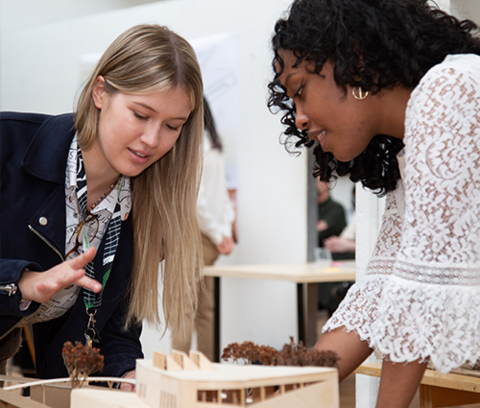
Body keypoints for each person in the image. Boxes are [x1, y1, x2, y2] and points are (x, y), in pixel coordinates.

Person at [268, 0, 480, 407]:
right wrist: (276, 395)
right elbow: (380, 291)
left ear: (355, 60)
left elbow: (420, 290)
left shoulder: (449, 90)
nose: (298, 118)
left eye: (300, 91)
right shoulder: (416, 138)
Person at [0, 24, 204, 390]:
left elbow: (113, 329)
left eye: (173, 126)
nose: (152, 140)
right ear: (100, 92)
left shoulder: (146, 209)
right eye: (141, 115)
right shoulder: (7, 144)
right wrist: (22, 282)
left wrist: (127, 374)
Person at [172, 97, 235, 361]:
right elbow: (214, 198)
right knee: (204, 308)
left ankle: (179, 371)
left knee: (185, 308)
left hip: (198, 235)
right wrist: (224, 234)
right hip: (208, 235)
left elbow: (199, 201)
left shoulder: (195, 148)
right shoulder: (212, 146)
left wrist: (221, 234)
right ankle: (206, 369)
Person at [315, 178, 347, 247]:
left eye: (318, 180)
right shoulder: (309, 209)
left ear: (328, 183)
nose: (315, 183)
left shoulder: (336, 208)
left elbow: (320, 234)